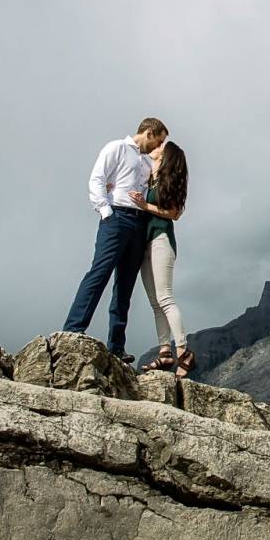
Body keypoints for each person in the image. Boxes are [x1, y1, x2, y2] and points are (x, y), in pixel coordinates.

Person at [62, 118, 167, 362]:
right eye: (159, 140)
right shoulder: (117, 148)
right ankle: (73, 329)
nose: (158, 146)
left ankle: (116, 346)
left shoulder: (145, 161)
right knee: (99, 273)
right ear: (149, 132)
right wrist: (105, 211)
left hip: (138, 223)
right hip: (117, 218)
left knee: (125, 286)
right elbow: (97, 178)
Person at [129, 138, 193, 377]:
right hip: (145, 242)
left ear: (165, 157)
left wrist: (145, 206)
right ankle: (165, 352)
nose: (154, 148)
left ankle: (184, 351)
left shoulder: (168, 181)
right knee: (155, 302)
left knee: (165, 297)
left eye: (159, 148)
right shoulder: (149, 177)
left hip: (161, 239)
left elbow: (174, 214)